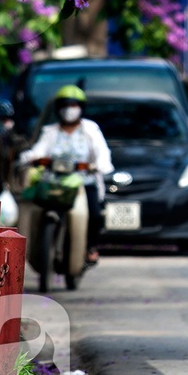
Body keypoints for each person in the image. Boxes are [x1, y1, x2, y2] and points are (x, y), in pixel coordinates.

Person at [18, 85, 113, 263]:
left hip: (84, 183)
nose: (69, 109)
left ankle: (90, 248)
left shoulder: (90, 130)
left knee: (94, 215)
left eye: (73, 105)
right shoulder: (50, 132)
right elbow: (38, 151)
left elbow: (103, 153)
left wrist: (98, 165)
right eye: (65, 105)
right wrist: (29, 158)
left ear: (81, 108)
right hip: (54, 182)